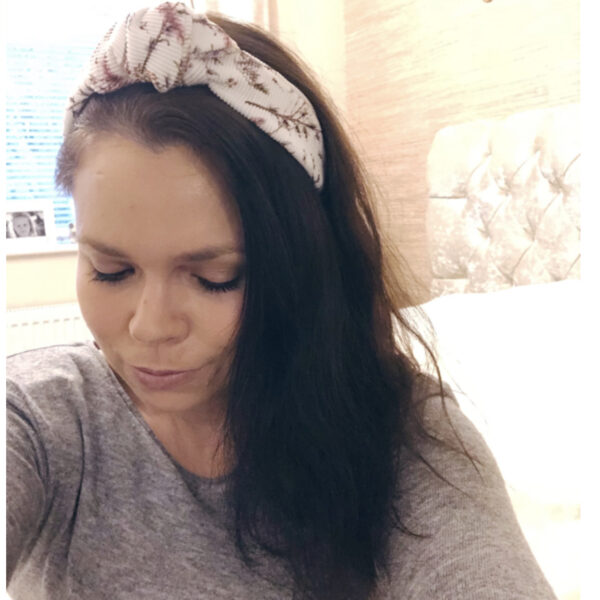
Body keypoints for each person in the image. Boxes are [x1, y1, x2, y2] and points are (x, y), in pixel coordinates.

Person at [6, 3, 558, 599]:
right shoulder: (40, 419)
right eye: (110, 270)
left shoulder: (400, 435)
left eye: (215, 277)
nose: (150, 326)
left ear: (300, 266)